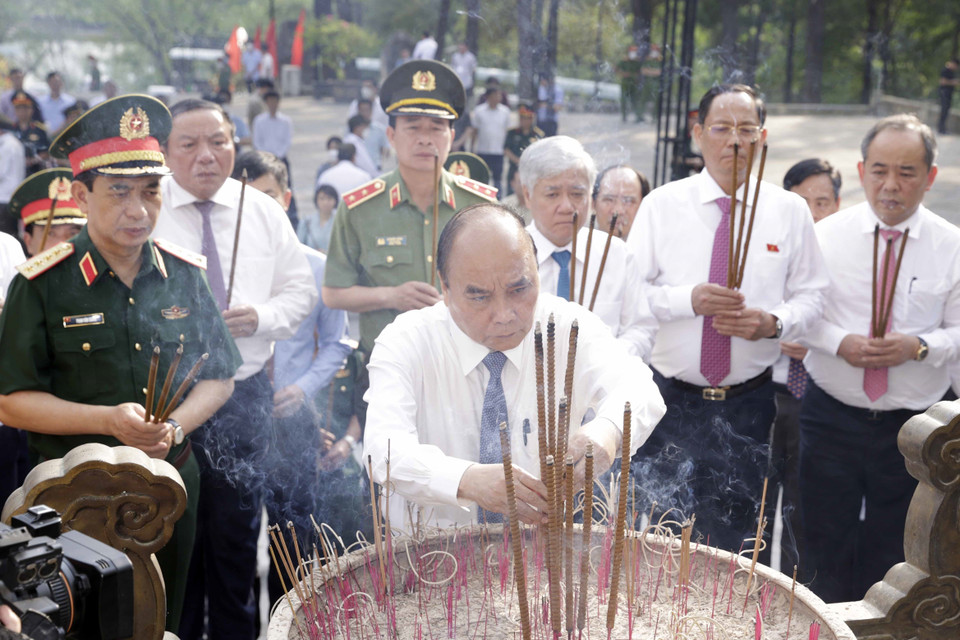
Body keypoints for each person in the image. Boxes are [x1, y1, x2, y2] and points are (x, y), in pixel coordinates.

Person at [0, 95, 241, 632]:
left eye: (151, 192)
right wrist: (106, 422)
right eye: (120, 193)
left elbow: (219, 376)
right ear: (82, 194)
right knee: (76, 624)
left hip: (169, 486)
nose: (139, 210)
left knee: (163, 619)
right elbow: (11, 403)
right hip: (70, 497)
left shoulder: (184, 275)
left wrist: (176, 426)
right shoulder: (40, 284)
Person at [364, 203, 666, 529]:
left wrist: (607, 431)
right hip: (432, 555)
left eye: (519, 289)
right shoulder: (408, 341)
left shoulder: (565, 326)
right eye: (480, 297)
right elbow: (383, 449)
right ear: (445, 288)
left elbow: (639, 387)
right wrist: (467, 480)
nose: (505, 314)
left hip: (541, 551)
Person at [626, 84, 829, 552]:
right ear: (698, 132)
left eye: (746, 129)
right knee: (661, 534)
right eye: (721, 128)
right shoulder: (662, 205)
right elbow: (631, 295)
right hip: (670, 400)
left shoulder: (789, 211)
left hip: (748, 404)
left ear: (762, 138)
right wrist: (687, 301)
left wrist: (773, 322)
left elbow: (814, 298)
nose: (733, 141)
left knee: (735, 544)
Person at [153, 98, 316, 640]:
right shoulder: (147, 210)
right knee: (172, 541)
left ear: (234, 143)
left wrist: (262, 316)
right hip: (165, 400)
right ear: (165, 152)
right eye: (189, 144)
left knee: (236, 541)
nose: (206, 156)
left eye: (218, 142)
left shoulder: (262, 210)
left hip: (242, 398)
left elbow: (301, 291)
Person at [799, 114, 959, 602]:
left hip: (914, 429)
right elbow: (803, 314)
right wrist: (838, 342)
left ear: (930, 176)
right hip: (831, 417)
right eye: (880, 170)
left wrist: (921, 346)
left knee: (898, 555)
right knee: (820, 546)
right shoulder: (826, 236)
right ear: (862, 169)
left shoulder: (951, 245)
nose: (891, 186)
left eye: (907, 173)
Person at [323, 60, 498, 429]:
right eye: (412, 128)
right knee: (386, 480)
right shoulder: (359, 208)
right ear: (390, 135)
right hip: (387, 372)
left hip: (467, 370)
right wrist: (391, 296)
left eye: (437, 128)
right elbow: (333, 293)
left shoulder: (483, 207)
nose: (425, 138)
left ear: (452, 136)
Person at [231, 149, 354, 607]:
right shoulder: (217, 271)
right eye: (245, 200)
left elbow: (339, 343)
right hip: (233, 414)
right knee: (234, 545)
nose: (257, 209)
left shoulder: (317, 267)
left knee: (293, 542)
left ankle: (292, 624)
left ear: (285, 198)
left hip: (293, 416)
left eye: (266, 197)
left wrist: (300, 388)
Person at [766, 158, 842, 572]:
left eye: (822, 201)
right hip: (767, 395)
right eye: (802, 202)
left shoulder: (847, 255)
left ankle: (795, 599)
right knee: (754, 509)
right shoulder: (768, 249)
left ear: (837, 203)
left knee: (803, 514)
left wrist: (811, 344)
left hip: (815, 400)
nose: (813, 212)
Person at [521, 136, 656, 361]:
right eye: (552, 194)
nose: (566, 207)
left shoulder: (615, 254)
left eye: (577, 194)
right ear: (527, 195)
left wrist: (605, 360)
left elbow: (642, 329)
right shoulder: (507, 256)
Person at [0, 168, 86, 506]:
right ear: (30, 236)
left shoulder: (6, 249)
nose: (64, 243)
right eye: (55, 232)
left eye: (76, 231)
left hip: (33, 428)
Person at [469, 88, 511, 193]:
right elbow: (475, 131)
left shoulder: (505, 112)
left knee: (497, 180)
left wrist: (506, 148)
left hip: (498, 151)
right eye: (495, 95)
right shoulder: (479, 111)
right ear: (488, 97)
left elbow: (507, 131)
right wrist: (472, 147)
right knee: (482, 180)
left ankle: (498, 201)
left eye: (499, 95)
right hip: (483, 151)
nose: (498, 98)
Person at [593, 164, 651, 240]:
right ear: (593, 203)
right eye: (609, 200)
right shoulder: (578, 249)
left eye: (628, 201)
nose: (618, 211)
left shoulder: (654, 250)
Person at [503, 104, 543, 196]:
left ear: (532, 119)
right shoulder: (512, 133)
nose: (524, 121)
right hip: (514, 168)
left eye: (527, 118)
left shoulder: (538, 135)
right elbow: (506, 149)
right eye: (522, 118)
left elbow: (542, 153)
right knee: (511, 195)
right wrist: (518, 161)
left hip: (531, 170)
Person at [0, 115, 26, 238]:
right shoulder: (12, 143)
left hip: (4, 198)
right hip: (10, 197)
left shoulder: (6, 145)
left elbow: (1, 171)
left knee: (5, 237)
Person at [11, 91, 49, 176]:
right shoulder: (10, 130)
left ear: (31, 110)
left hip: (34, 173)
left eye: (25, 108)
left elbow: (46, 152)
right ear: (15, 110)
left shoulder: (40, 129)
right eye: (18, 108)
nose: (22, 111)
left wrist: (33, 160)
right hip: (14, 174)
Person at [299, 184, 338, 253]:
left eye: (329, 198)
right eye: (322, 198)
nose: (325, 202)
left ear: (335, 201)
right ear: (316, 200)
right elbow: (299, 246)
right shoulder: (307, 221)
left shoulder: (340, 221)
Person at [355, 99, 390, 172]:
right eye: (362, 110)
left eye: (367, 110)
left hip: (375, 168)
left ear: (371, 111)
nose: (364, 113)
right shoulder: (352, 129)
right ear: (358, 111)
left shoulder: (379, 129)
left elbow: (386, 149)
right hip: (358, 168)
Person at [937, 58, 959, 135]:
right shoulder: (945, 70)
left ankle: (943, 129)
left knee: (946, 112)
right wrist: (953, 82)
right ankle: (941, 128)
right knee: (944, 111)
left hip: (948, 94)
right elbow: (942, 82)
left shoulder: (952, 72)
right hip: (944, 93)